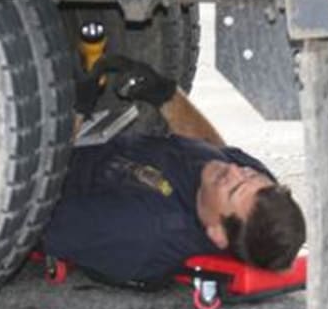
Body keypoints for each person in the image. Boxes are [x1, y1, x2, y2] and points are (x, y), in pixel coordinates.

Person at [42, 55, 306, 286]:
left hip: (44, 165)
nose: (235, 169)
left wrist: (76, 112)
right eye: (249, 174)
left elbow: (33, 216)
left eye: (234, 188)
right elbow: (214, 149)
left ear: (217, 234)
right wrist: (164, 94)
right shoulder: (254, 189)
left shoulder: (139, 232)